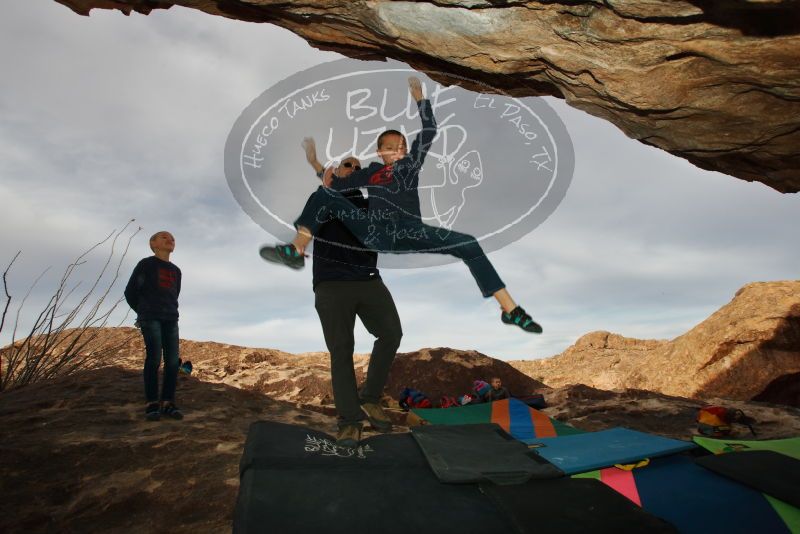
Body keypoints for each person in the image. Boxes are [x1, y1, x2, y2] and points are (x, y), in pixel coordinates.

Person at [260, 76, 542, 334]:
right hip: (375, 232)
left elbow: (429, 131)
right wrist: (316, 164)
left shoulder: (410, 164)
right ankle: (296, 248)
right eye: (392, 147)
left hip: (410, 232)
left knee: (467, 243)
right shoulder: (368, 173)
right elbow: (335, 182)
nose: (398, 150)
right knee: (324, 195)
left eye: (402, 146)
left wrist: (420, 99)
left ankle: (509, 309)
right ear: (380, 151)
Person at [296, 141, 402, 448]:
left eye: (358, 168)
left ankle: (370, 399)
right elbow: (306, 224)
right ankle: (350, 421)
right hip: (331, 284)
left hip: (368, 280)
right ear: (339, 172)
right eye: (348, 165)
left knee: (391, 334)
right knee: (341, 350)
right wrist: (324, 186)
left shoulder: (371, 204)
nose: (353, 169)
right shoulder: (323, 199)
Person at [124, 230, 183, 421]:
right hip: (151, 318)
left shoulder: (176, 271)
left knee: (173, 361)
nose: (170, 239)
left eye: (172, 237)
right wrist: (143, 312)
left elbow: (175, 294)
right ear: (153, 244)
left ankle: (168, 402)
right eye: (164, 236)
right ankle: (151, 403)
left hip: (171, 318)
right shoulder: (146, 264)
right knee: (154, 358)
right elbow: (130, 292)